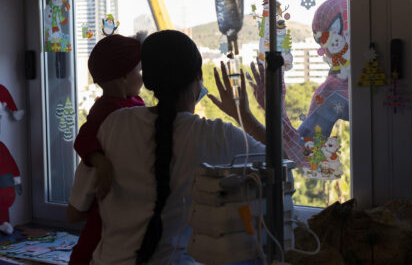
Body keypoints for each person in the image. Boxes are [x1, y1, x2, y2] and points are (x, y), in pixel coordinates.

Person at [70, 30, 265, 265]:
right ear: (198, 77)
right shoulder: (214, 135)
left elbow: (75, 210)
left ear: (148, 80)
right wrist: (243, 115)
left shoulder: (114, 124)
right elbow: (281, 159)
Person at [67, 34, 146, 265]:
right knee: (92, 243)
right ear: (123, 75)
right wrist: (101, 162)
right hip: (106, 201)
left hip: (117, 205)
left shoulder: (131, 103)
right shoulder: (108, 110)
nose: (141, 79)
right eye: (138, 72)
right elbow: (83, 138)